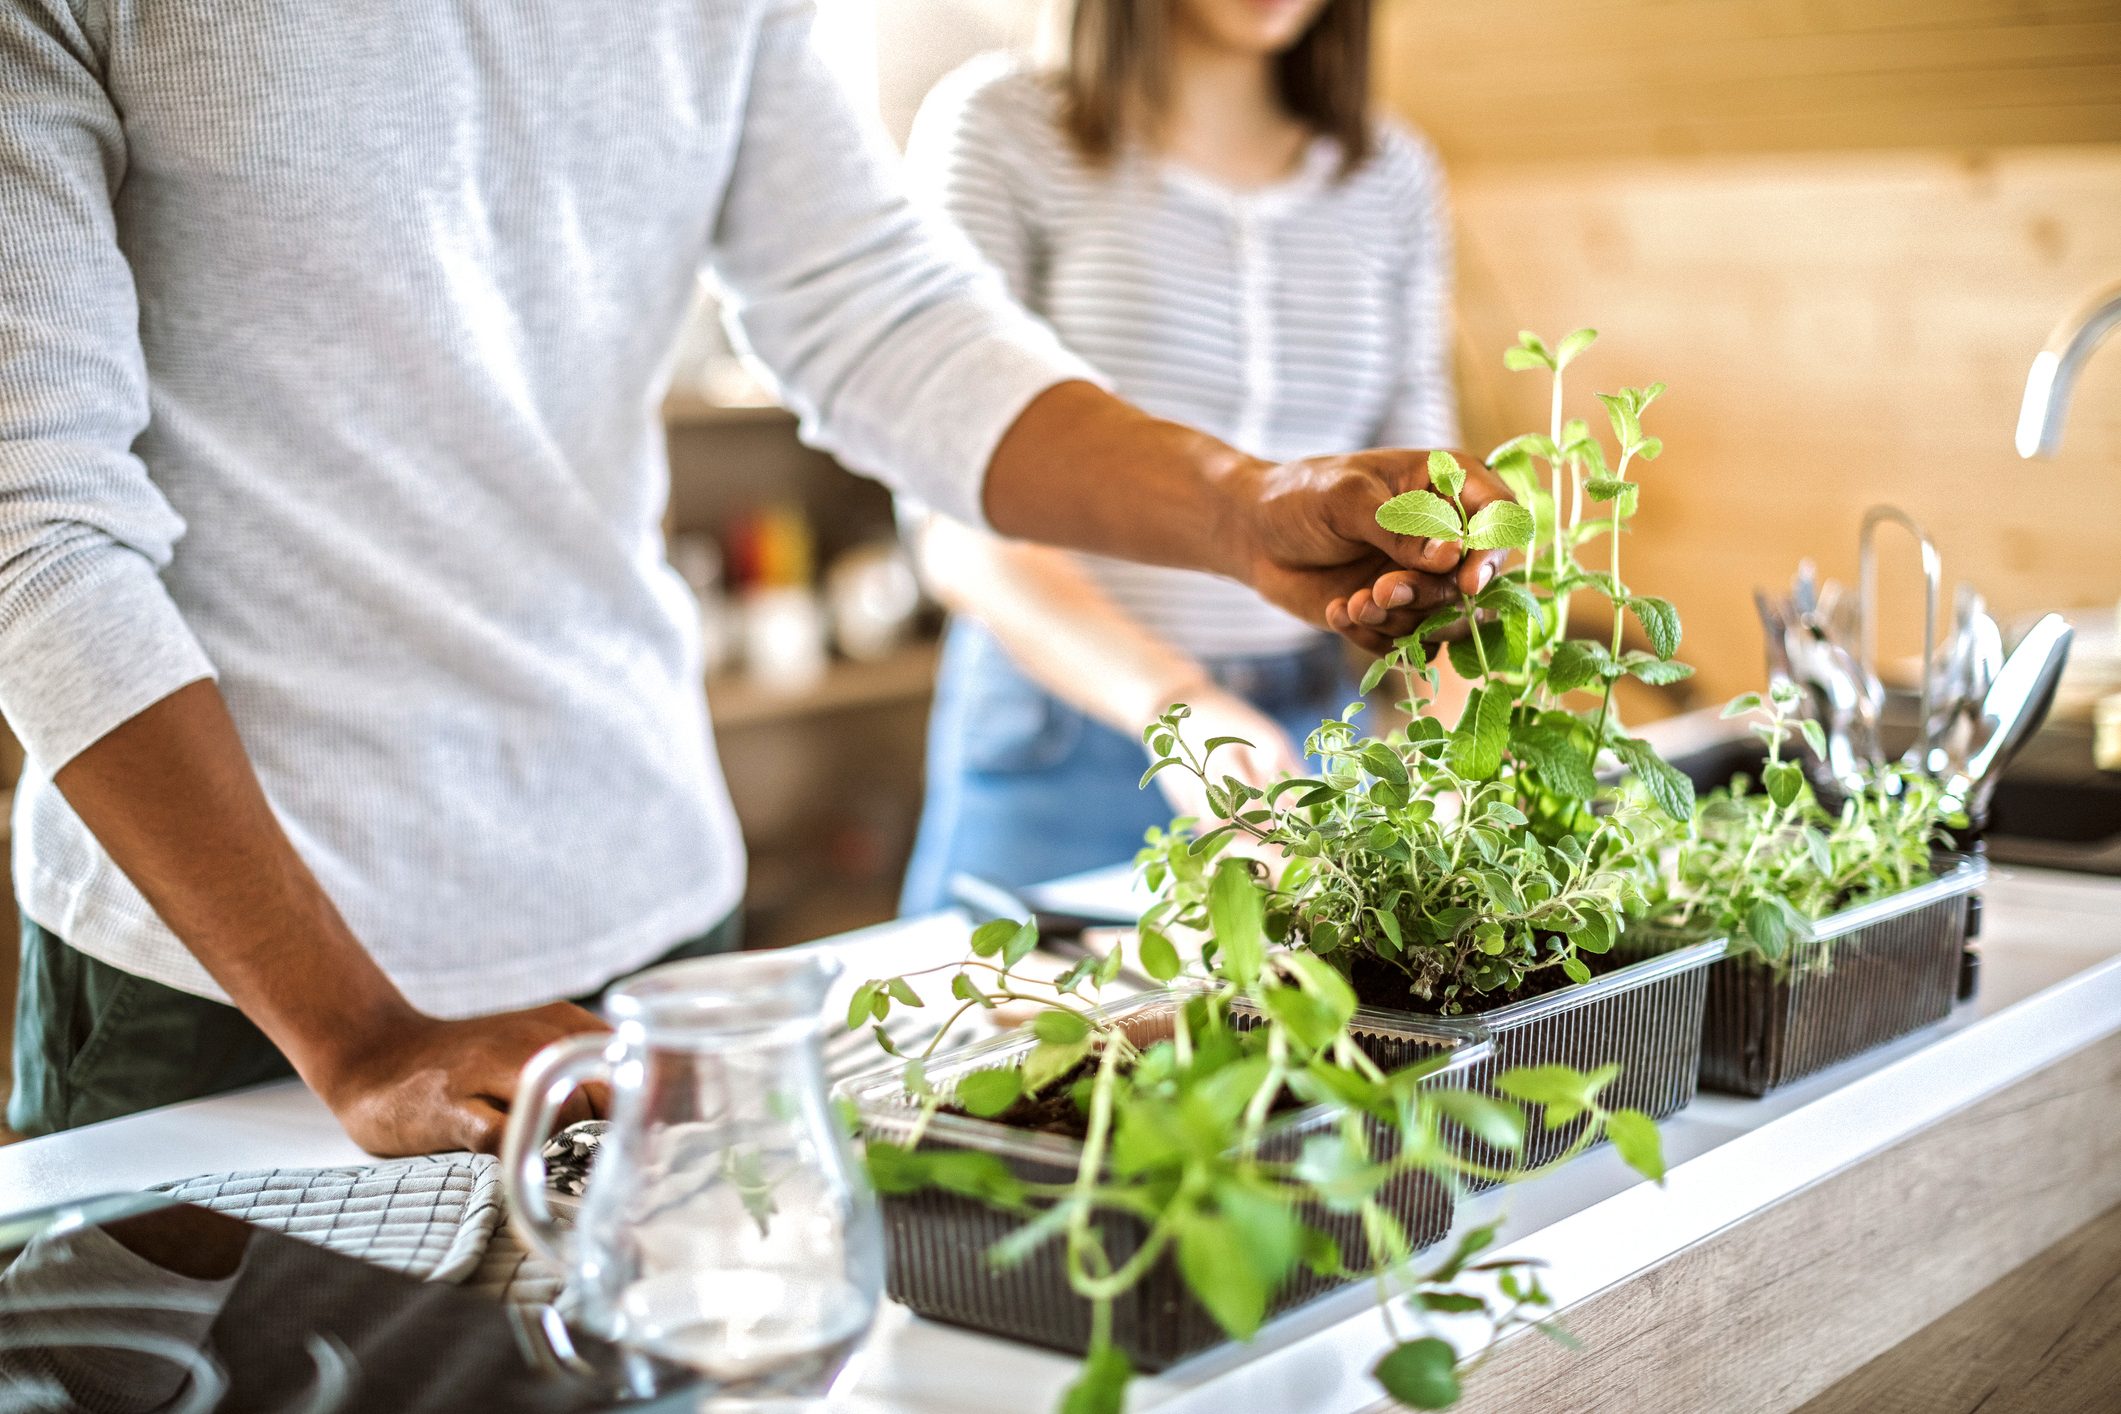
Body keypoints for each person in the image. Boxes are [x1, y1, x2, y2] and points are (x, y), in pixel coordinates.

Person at [0, 0, 1502, 1155]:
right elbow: (35, 522)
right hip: (231, 974)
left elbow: (876, 313)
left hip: (647, 897)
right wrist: (353, 1027)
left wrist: (1241, 506)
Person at [897, 0, 1462, 912]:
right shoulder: (1002, 129)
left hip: (1309, 731)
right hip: (1064, 733)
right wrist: (1176, 705)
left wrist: (1442, 751)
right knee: (1011, 1043)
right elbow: (957, 520)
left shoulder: (1390, 175)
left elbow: (1432, 507)